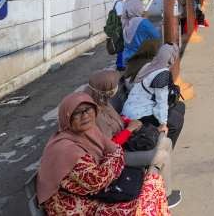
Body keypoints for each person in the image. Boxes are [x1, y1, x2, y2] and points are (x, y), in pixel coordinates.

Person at [36, 92, 168, 215]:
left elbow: (115, 152)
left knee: (153, 181)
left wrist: (114, 158)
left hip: (96, 195)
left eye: (87, 110)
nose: (85, 115)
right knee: (145, 201)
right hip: (78, 207)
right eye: (77, 113)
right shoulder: (65, 149)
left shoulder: (89, 131)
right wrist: (115, 157)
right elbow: (98, 180)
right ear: (67, 118)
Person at [85, 70, 181, 209]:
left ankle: (157, 187)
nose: (115, 88)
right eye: (112, 86)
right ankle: (165, 196)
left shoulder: (104, 103)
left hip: (125, 144)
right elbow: (111, 146)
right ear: (103, 89)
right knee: (162, 156)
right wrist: (129, 129)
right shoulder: (96, 114)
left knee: (167, 142)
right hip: (116, 155)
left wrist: (129, 122)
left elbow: (117, 120)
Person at [122, 44, 185, 148]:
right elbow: (161, 102)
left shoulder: (150, 66)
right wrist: (163, 124)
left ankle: (163, 145)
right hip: (137, 115)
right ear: (171, 58)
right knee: (175, 122)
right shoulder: (162, 74)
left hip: (134, 108)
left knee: (180, 107)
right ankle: (163, 149)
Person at [121, 0, 161, 65]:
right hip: (140, 60)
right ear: (137, 7)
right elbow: (156, 35)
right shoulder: (143, 22)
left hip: (126, 59)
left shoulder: (125, 21)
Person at [113, 0, 129, 71]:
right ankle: (120, 64)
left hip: (119, 27)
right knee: (121, 46)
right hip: (119, 28)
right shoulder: (119, 3)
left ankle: (119, 63)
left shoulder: (118, 2)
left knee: (121, 46)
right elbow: (120, 16)